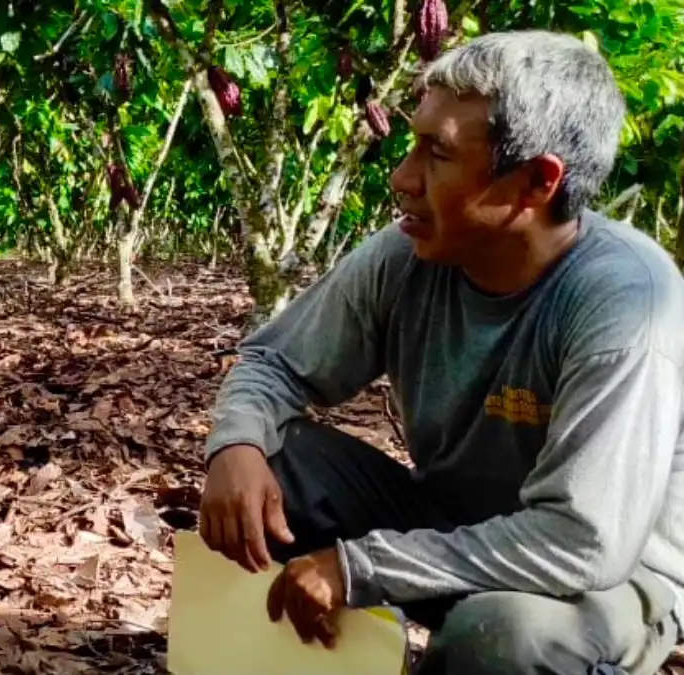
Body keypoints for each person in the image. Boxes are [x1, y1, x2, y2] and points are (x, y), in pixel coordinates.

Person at [199, 29, 684, 675]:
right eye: (412, 145)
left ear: (537, 181)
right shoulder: (407, 254)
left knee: (503, 636)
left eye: (437, 154)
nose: (402, 179)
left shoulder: (624, 300)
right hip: (457, 528)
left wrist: (357, 566)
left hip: (607, 578)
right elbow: (274, 364)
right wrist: (235, 444)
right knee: (272, 459)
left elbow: (582, 542)